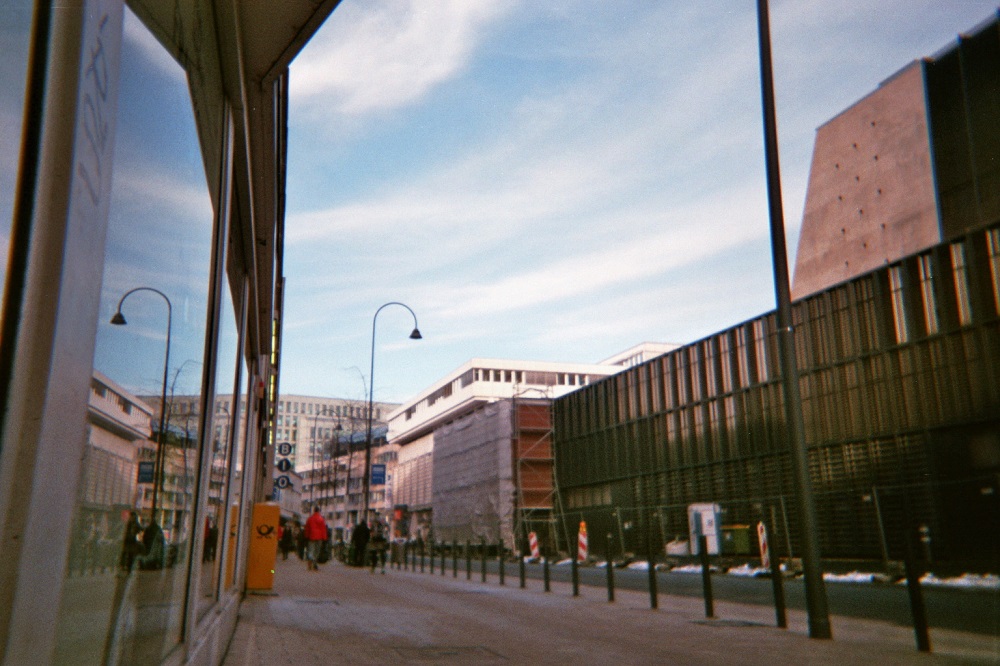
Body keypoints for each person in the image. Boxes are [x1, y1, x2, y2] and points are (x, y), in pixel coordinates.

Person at [303, 507, 328, 571]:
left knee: (311, 549)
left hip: (312, 536)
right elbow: (323, 529)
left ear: (314, 511)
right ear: (319, 511)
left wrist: (306, 536)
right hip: (319, 537)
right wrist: (324, 538)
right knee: (317, 551)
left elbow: (307, 528)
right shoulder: (321, 519)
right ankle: (315, 562)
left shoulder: (310, 519)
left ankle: (310, 562)